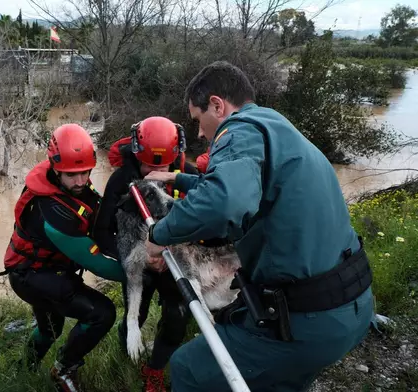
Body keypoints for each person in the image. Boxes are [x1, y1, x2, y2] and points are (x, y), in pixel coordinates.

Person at [142, 61, 375, 392]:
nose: (199, 133)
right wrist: (178, 178)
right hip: (352, 307)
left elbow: (223, 202)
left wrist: (158, 236)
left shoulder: (237, 131)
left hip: (305, 323)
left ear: (217, 105)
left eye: (198, 120)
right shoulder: (273, 126)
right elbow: (250, 187)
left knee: (188, 368)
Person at [93, 116, 222, 392]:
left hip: (173, 259)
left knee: (177, 316)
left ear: (174, 160)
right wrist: (135, 259)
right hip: (139, 260)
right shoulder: (121, 181)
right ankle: (127, 349)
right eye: (148, 166)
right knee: (135, 315)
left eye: (161, 166)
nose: (154, 172)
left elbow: (209, 221)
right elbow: (103, 232)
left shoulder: (186, 175)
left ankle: (154, 369)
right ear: (137, 157)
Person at [2, 123, 125, 392]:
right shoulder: (53, 213)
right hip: (32, 277)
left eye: (85, 172)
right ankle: (63, 369)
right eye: (72, 175)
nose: (81, 181)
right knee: (102, 313)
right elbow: (98, 264)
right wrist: (143, 270)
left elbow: (97, 212)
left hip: (40, 269)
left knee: (50, 328)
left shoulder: (67, 186)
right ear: (55, 167)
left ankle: (23, 371)